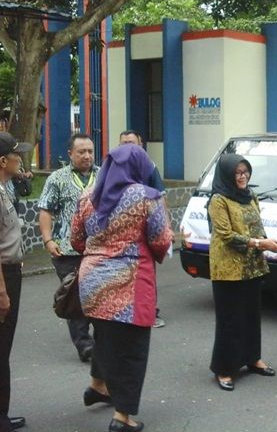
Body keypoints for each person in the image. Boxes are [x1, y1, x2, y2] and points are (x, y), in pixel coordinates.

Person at [71, 144, 173, 432]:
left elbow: (76, 239)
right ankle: (123, 417)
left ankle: (98, 386)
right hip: (129, 284)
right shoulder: (146, 197)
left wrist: (99, 254)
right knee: (131, 349)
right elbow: (161, 240)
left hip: (91, 284)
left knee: (105, 337)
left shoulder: (87, 197)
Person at [207, 154, 277, 391]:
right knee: (230, 319)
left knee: (251, 315)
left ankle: (252, 359)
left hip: (251, 266)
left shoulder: (250, 194)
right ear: (227, 175)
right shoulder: (218, 200)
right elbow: (226, 235)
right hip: (228, 268)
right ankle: (224, 368)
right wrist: (261, 244)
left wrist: (270, 240)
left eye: (245, 172)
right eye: (237, 173)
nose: (242, 177)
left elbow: (256, 226)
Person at [37, 133, 98, 362]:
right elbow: (45, 210)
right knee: (76, 296)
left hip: (97, 249)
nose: (87, 156)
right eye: (81, 151)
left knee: (97, 295)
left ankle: (98, 340)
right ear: (70, 154)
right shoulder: (57, 178)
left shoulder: (104, 176)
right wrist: (48, 240)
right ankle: (85, 345)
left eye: (90, 151)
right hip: (66, 251)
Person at [118, 130, 166, 329]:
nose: (128, 147)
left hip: (146, 234)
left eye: (132, 143)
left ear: (141, 145)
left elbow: (161, 198)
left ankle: (150, 313)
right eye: (124, 144)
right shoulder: (112, 167)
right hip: (119, 236)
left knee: (146, 275)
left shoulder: (149, 168)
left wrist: (165, 227)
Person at [0, 132, 31, 432]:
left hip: (11, 273)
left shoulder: (5, 187)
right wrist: (2, 291)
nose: (20, 158)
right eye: (15, 154)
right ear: (2, 160)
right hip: (4, 276)